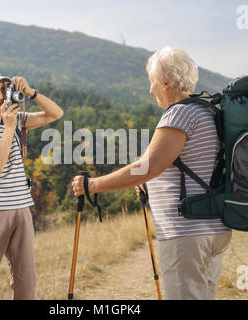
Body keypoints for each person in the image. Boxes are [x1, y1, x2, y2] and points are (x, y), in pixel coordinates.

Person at [71, 46, 231, 300]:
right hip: (212, 228)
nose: (150, 88)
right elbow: (185, 165)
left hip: (186, 232)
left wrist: (93, 185)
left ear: (166, 81)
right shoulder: (206, 111)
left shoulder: (179, 113)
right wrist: (151, 183)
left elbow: (147, 167)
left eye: (152, 81)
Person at [0, 67, 63, 300]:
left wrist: (30, 92)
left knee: (26, 280)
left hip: (21, 209)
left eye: (2, 89)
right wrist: (7, 127)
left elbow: (55, 113)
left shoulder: (17, 120)